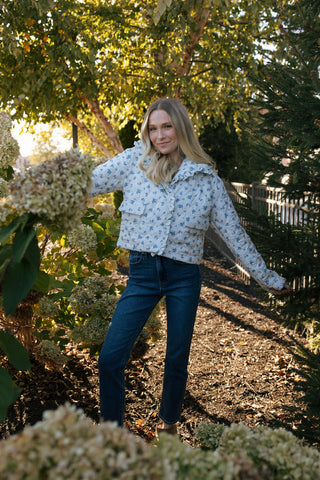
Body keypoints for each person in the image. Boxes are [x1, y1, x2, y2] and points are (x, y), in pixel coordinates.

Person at [91, 97, 290, 436]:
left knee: (176, 357)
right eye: (153, 128)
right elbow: (88, 183)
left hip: (184, 275)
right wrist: (41, 190)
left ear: (181, 128)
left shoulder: (206, 180)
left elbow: (233, 234)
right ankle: (112, 435)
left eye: (166, 126)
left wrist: (266, 276)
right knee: (110, 357)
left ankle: (168, 425)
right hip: (141, 273)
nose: (159, 135)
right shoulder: (133, 163)